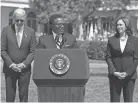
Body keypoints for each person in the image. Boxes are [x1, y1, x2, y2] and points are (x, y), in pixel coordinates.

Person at [1, 8, 36, 102]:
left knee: (23, 96)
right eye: (17, 20)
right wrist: (11, 65)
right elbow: (3, 50)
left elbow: (33, 51)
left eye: (22, 20)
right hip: (9, 69)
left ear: (25, 18)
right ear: (13, 18)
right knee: (10, 96)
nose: (19, 22)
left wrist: (24, 64)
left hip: (25, 70)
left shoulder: (31, 32)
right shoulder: (6, 30)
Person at [105, 16, 138, 102]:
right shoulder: (111, 40)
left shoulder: (135, 40)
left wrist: (128, 73)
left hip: (129, 77)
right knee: (114, 100)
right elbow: (108, 57)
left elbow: (136, 59)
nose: (118, 27)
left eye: (121, 25)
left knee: (128, 100)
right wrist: (114, 72)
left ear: (126, 25)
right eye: (117, 25)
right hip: (115, 76)